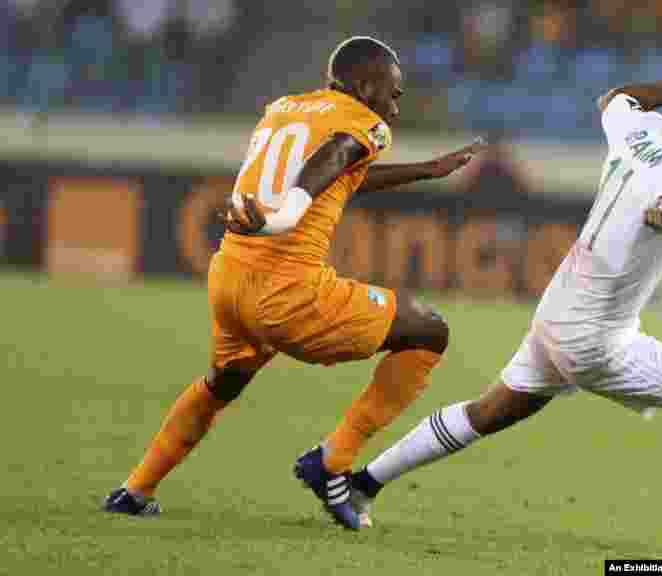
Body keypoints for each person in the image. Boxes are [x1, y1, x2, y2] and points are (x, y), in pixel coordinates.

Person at [344, 55, 662, 546]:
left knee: (488, 412)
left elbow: (616, 97)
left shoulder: (639, 134)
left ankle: (362, 483)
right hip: (597, 342)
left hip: (557, 314)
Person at [102, 36, 486, 529]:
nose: (394, 106)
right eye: (392, 94)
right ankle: (332, 461)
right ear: (364, 85)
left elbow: (338, 172)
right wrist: (287, 215)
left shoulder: (285, 108)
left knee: (223, 382)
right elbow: (335, 155)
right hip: (287, 292)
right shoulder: (361, 122)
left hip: (231, 278)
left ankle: (136, 488)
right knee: (429, 331)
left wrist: (427, 171)